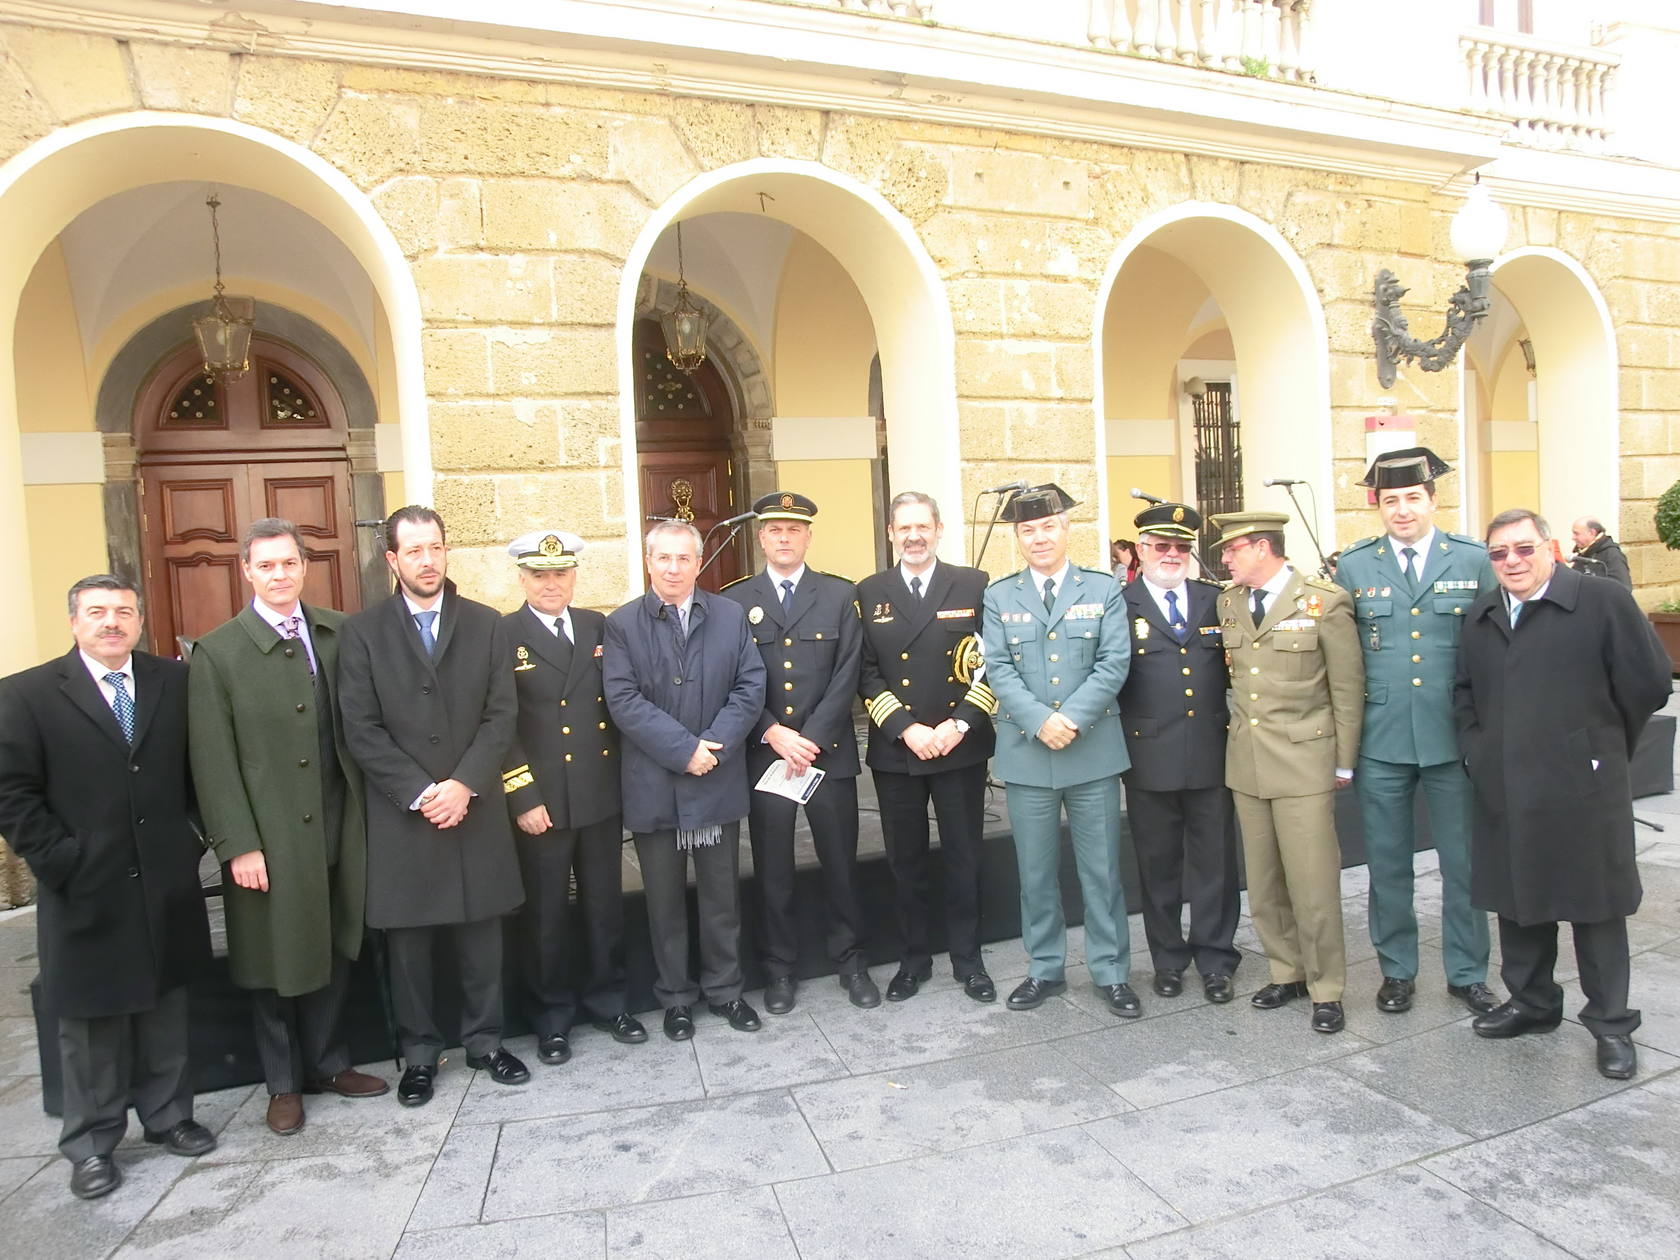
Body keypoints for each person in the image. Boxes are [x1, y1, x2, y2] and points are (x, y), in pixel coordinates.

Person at [0, 575, 215, 1200]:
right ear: (74, 621)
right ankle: (92, 1143)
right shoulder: (28, 694)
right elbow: (13, 794)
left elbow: (197, 768)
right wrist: (61, 861)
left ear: (141, 620)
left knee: (166, 1003)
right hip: (84, 885)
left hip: (164, 878)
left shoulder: (172, 681)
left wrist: (191, 838)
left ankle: (170, 1117)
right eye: (97, 612)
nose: (111, 622)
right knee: (90, 1020)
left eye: (124, 611)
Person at [1454, 508, 1671, 1081]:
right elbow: (1464, 694)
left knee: (1594, 906)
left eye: (1524, 549)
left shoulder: (1601, 602)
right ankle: (1532, 1002)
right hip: (1505, 785)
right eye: (1498, 554)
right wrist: (1478, 749)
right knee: (1518, 898)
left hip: (1583, 788)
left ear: (1550, 547)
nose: (1512, 562)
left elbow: (1648, 682)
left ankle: (1611, 1025)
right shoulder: (1480, 616)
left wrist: (1595, 746)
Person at [188, 519, 387, 1138]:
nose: (280, 576)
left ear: (306, 568)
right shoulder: (218, 652)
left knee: (333, 944)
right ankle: (282, 1082)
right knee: (271, 960)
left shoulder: (338, 632)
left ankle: (329, 1063)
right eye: (266, 566)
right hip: (269, 839)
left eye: (289, 564)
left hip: (339, 823)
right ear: (246, 571)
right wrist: (238, 844)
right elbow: (211, 760)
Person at [338, 507, 528, 1108]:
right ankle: (419, 1055)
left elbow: (502, 715)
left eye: (436, 548)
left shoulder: (486, 625)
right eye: (415, 550)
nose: (428, 560)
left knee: (481, 938)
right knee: (411, 946)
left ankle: (486, 1041)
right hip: (405, 816)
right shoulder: (362, 633)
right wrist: (423, 791)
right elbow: (360, 728)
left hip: (473, 807)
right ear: (392, 560)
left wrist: (465, 783)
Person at [1333, 449, 1499, 1017]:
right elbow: (1343, 655)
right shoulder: (1354, 566)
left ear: (1432, 500)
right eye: (1390, 500)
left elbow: (1493, 653)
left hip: (1453, 739)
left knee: (1464, 862)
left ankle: (1468, 971)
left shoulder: (1474, 561)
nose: (1401, 510)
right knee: (1387, 862)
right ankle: (1397, 970)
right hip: (1381, 740)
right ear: (1377, 505)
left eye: (1412, 498)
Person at [603, 520, 767, 1040]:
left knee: (722, 899)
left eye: (684, 559)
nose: (673, 569)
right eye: (663, 559)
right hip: (655, 785)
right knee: (664, 903)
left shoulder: (730, 615)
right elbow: (623, 699)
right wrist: (684, 750)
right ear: (649, 562)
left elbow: (750, 685)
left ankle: (726, 991)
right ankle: (675, 999)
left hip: (715, 780)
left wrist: (711, 748)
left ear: (700, 563)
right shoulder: (622, 624)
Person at [720, 492, 878, 1013]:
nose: (784, 537)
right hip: (768, 755)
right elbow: (732, 680)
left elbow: (848, 671)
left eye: (794, 529)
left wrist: (809, 736)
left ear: (809, 536)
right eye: (774, 530)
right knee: (773, 869)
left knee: (840, 863)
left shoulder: (838, 594)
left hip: (826, 751)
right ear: (760, 537)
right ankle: (779, 970)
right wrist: (771, 733)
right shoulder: (735, 600)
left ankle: (851, 962)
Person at [983, 485, 1137, 1016]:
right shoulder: (1000, 595)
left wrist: (1067, 718)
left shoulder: (1101, 589)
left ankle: (1112, 971)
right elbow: (997, 668)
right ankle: (1044, 968)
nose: (1039, 537)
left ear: (1067, 529)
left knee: (1101, 871)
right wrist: (1039, 720)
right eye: (1028, 530)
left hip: (1090, 750)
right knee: (1036, 871)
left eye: (1048, 526)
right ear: (1017, 537)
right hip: (1028, 752)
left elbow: (1115, 662)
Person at [1212, 511, 1363, 1035]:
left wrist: (1345, 760)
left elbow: (1345, 689)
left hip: (1304, 761)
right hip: (1247, 761)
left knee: (1313, 882)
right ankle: (1287, 970)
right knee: (1266, 881)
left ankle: (1327, 987)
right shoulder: (1228, 601)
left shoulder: (1323, 600)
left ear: (1261, 547)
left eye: (1232, 550)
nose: (1225, 559)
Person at [499, 529, 645, 1066]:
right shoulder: (504, 634)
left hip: (598, 796)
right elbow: (500, 726)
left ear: (574, 576)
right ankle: (551, 1018)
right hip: (543, 804)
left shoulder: (596, 626)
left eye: (560, 573)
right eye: (540, 574)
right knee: (546, 918)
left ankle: (610, 1002)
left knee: (605, 908)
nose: (551, 583)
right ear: (523, 578)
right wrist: (522, 796)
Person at [857, 491, 998, 1003]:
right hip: (899, 750)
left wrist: (958, 724)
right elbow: (866, 673)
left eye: (923, 526)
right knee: (906, 860)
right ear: (891, 534)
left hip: (959, 745)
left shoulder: (973, 584)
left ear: (939, 529)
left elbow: (992, 663)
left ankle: (969, 958)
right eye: (904, 528)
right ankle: (913, 959)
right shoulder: (870, 590)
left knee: (964, 856)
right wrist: (907, 728)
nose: (914, 536)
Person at [1118, 502, 1241, 1003]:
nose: (1173, 555)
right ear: (1142, 550)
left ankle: (1216, 958)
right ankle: (1167, 959)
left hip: (1211, 751)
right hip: (1148, 757)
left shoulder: (1218, 600)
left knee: (1215, 863)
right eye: (1162, 546)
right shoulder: (1118, 604)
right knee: (1158, 865)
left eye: (1181, 547)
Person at [1569, 517, 1633, 589]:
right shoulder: (1584, 553)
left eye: (1576, 533)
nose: (1573, 537)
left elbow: (1623, 588)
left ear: (1592, 533)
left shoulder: (1612, 555)